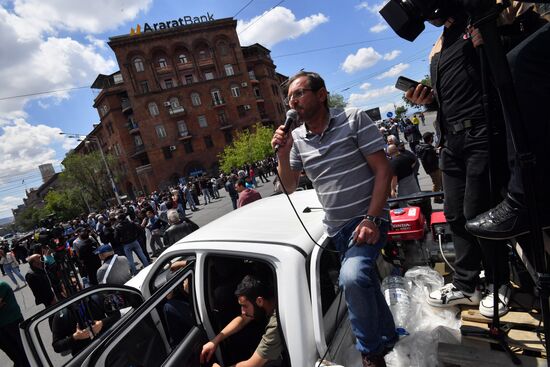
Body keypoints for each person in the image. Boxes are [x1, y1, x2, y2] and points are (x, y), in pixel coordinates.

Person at [271, 71, 396, 367]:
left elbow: (383, 170)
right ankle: (388, 336)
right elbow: (287, 186)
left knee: (351, 278)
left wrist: (371, 218)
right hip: (337, 231)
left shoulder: (352, 119)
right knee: (363, 284)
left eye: (299, 93)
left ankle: (371, 355)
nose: (293, 101)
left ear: (322, 94)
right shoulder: (297, 139)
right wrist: (283, 152)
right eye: (290, 97)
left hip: (369, 219)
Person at [405, 10, 511, 317]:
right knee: (452, 213)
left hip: (482, 132)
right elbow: (448, 97)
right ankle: (466, 284)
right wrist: (427, 100)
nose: (427, 17)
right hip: (451, 142)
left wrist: (494, 38)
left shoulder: (478, 18)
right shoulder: (438, 45)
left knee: (478, 211)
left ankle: (497, 281)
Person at [200, 275, 282, 367]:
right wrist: (215, 341)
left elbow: (251, 365)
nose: (242, 311)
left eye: (245, 306)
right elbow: (242, 320)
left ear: (259, 301)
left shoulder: (276, 324)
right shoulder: (269, 302)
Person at [0, 280, 30, 367]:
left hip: (13, 323)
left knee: (25, 350)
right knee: (14, 354)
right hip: (3, 328)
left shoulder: (2, 285)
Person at [415, 132, 443, 203]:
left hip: (430, 169)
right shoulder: (428, 149)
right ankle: (436, 198)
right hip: (434, 169)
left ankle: (441, 194)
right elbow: (431, 160)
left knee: (439, 181)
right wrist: (437, 152)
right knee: (436, 183)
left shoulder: (423, 147)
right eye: (432, 137)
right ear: (430, 138)